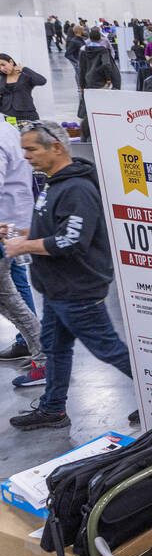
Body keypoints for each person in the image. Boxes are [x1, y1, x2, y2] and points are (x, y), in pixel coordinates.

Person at [7, 121, 137, 429]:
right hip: (56, 289)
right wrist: (21, 232)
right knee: (54, 348)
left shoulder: (76, 188)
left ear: (56, 147)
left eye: (31, 149)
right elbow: (57, 228)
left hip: (78, 291)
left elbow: (72, 241)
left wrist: (24, 245)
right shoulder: (55, 181)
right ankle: (53, 408)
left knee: (109, 350)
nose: (25, 156)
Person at [0, 121, 45, 385]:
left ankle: (41, 356)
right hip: (13, 223)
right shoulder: (6, 127)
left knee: (12, 295)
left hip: (7, 226)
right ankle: (36, 351)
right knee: (12, 292)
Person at [76, 28, 121, 143]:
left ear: (89, 38)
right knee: (102, 110)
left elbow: (81, 70)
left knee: (88, 112)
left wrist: (81, 86)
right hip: (101, 84)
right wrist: (108, 79)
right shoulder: (103, 50)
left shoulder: (83, 51)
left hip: (87, 84)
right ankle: (102, 136)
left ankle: (85, 137)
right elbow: (107, 65)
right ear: (100, 38)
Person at [0, 55, 47, 122]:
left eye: (3, 65)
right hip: (8, 115)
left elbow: (42, 81)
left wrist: (24, 69)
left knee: (31, 132)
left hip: (27, 114)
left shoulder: (25, 75)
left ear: (11, 62)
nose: (2, 69)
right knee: (13, 132)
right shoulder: (1, 78)